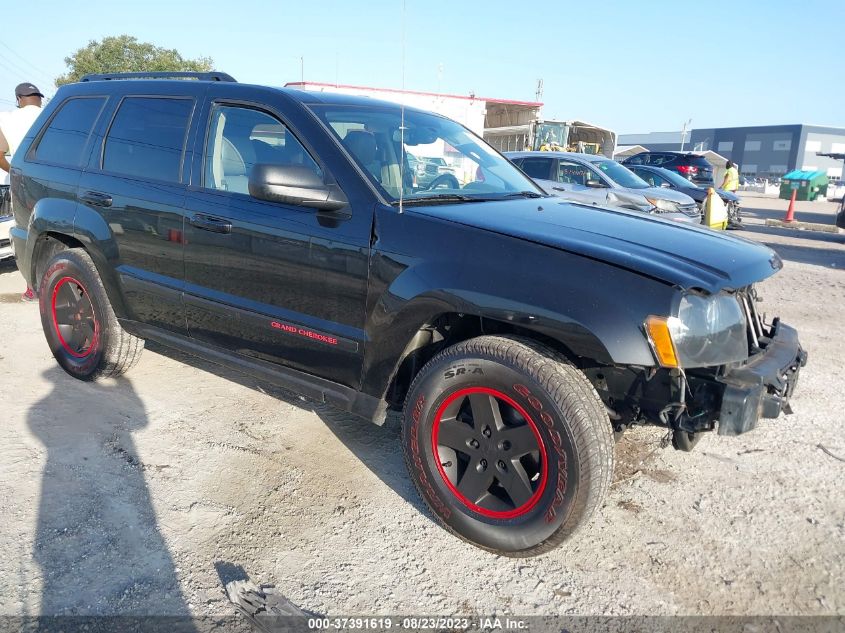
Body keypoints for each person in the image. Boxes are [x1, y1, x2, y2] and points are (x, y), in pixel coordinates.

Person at [0, 82, 44, 301]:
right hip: (54, 182)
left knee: (27, 232)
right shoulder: (52, 112)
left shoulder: (6, 119)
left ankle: (32, 289)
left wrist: (15, 172)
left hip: (25, 184)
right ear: (40, 98)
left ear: (18, 99)